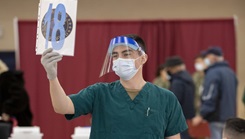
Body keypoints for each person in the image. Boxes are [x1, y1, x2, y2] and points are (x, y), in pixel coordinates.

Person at [41, 34, 188, 139]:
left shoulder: (165, 98)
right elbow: (62, 107)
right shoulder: (99, 93)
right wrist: (52, 77)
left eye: (126, 53)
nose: (119, 59)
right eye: (115, 55)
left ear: (143, 58)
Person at [192, 47, 238, 139]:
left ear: (212, 58)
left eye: (207, 57)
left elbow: (209, 96)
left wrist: (201, 115)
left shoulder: (213, 73)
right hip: (230, 117)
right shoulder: (231, 73)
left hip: (216, 117)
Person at [164, 56, 195, 139]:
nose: (169, 71)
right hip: (188, 116)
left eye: (170, 69)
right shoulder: (188, 79)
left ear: (175, 67)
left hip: (178, 117)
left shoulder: (177, 82)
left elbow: (174, 101)